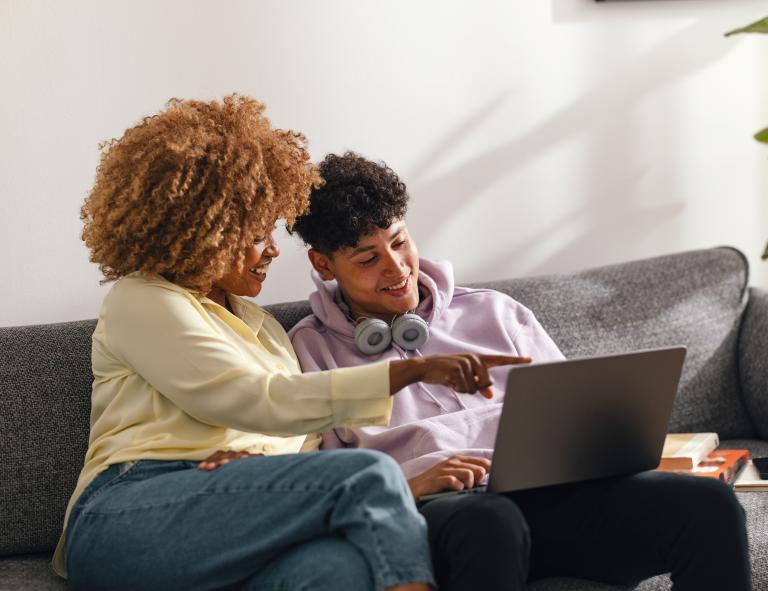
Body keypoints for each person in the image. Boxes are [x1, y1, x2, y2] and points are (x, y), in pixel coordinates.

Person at [55, 96, 530, 591]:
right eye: (257, 235)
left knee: (339, 570)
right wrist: (410, 372)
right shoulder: (142, 300)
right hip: (130, 509)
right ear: (205, 235)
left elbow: (305, 446)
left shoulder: (267, 330)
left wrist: (259, 476)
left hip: (235, 510)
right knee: (366, 470)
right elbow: (254, 399)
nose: (273, 251)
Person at [288, 151, 753, 591]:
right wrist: (408, 486)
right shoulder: (310, 349)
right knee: (491, 522)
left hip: (555, 499)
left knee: (708, 505)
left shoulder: (495, 312)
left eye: (399, 242)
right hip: (445, 514)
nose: (396, 268)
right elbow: (324, 482)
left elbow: (574, 415)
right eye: (368, 258)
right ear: (323, 263)